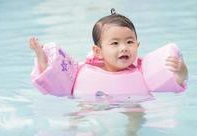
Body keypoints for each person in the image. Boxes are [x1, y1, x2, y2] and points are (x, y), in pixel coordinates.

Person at [29, 9, 188, 97]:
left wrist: (181, 72)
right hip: (90, 108)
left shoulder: (143, 72)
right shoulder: (81, 71)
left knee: (136, 117)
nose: (124, 47)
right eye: (115, 43)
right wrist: (40, 56)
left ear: (137, 45)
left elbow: (177, 84)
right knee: (78, 117)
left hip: (131, 107)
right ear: (98, 52)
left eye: (130, 42)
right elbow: (53, 78)